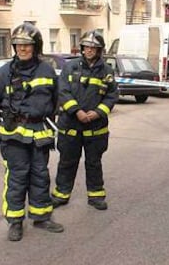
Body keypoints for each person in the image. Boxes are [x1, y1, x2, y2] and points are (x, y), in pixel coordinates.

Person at [0, 22, 64, 241]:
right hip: (14, 136)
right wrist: (5, 116)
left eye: (27, 45)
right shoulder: (3, 73)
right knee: (17, 179)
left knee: (40, 176)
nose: (22, 49)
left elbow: (57, 99)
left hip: (39, 133)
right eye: (18, 44)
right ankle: (15, 222)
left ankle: (41, 217)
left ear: (36, 46)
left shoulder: (47, 70)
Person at [51, 30, 118, 210]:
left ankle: (96, 196)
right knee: (67, 162)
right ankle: (61, 194)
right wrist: (76, 111)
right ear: (81, 48)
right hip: (70, 126)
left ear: (99, 50)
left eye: (93, 48)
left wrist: (98, 112)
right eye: (86, 47)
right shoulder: (70, 67)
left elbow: (112, 96)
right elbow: (62, 91)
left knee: (94, 162)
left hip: (95, 128)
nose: (89, 50)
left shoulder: (107, 71)